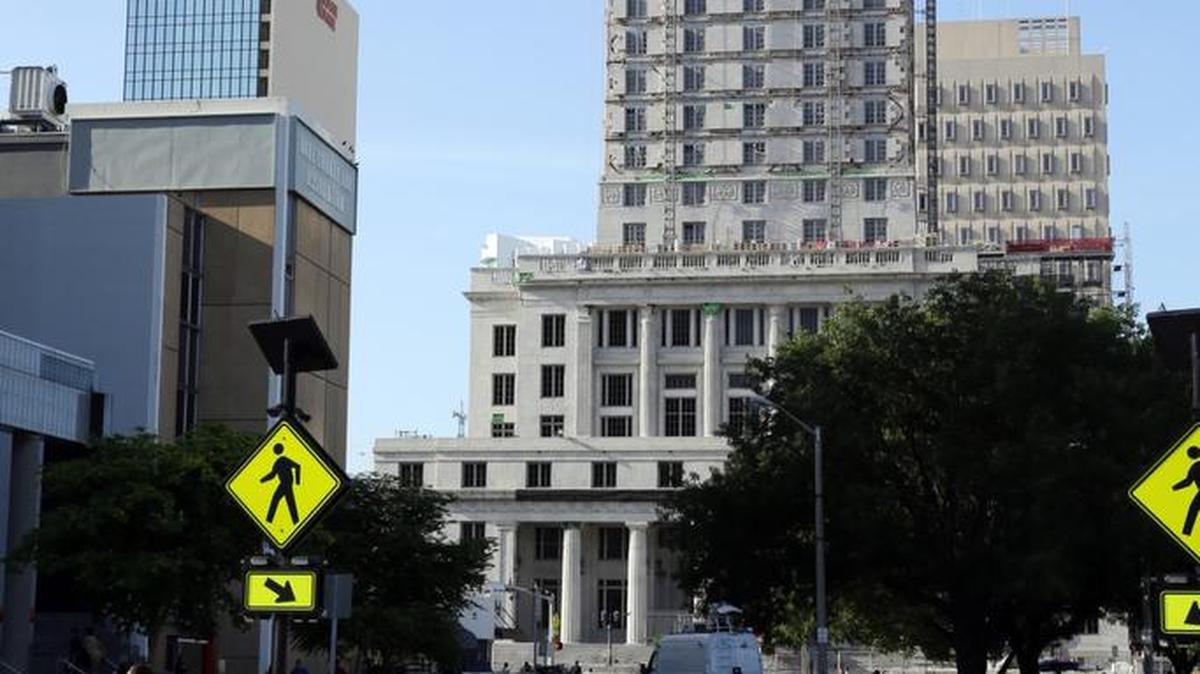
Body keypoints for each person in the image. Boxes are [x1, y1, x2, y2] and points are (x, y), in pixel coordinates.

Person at [1173, 446, 1200, 535]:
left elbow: (1188, 482)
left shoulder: (1195, 466)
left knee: (1193, 508)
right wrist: (1174, 487)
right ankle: (1186, 533)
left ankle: (1186, 532)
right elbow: (1188, 482)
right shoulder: (1195, 467)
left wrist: (1174, 487)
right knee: (1193, 508)